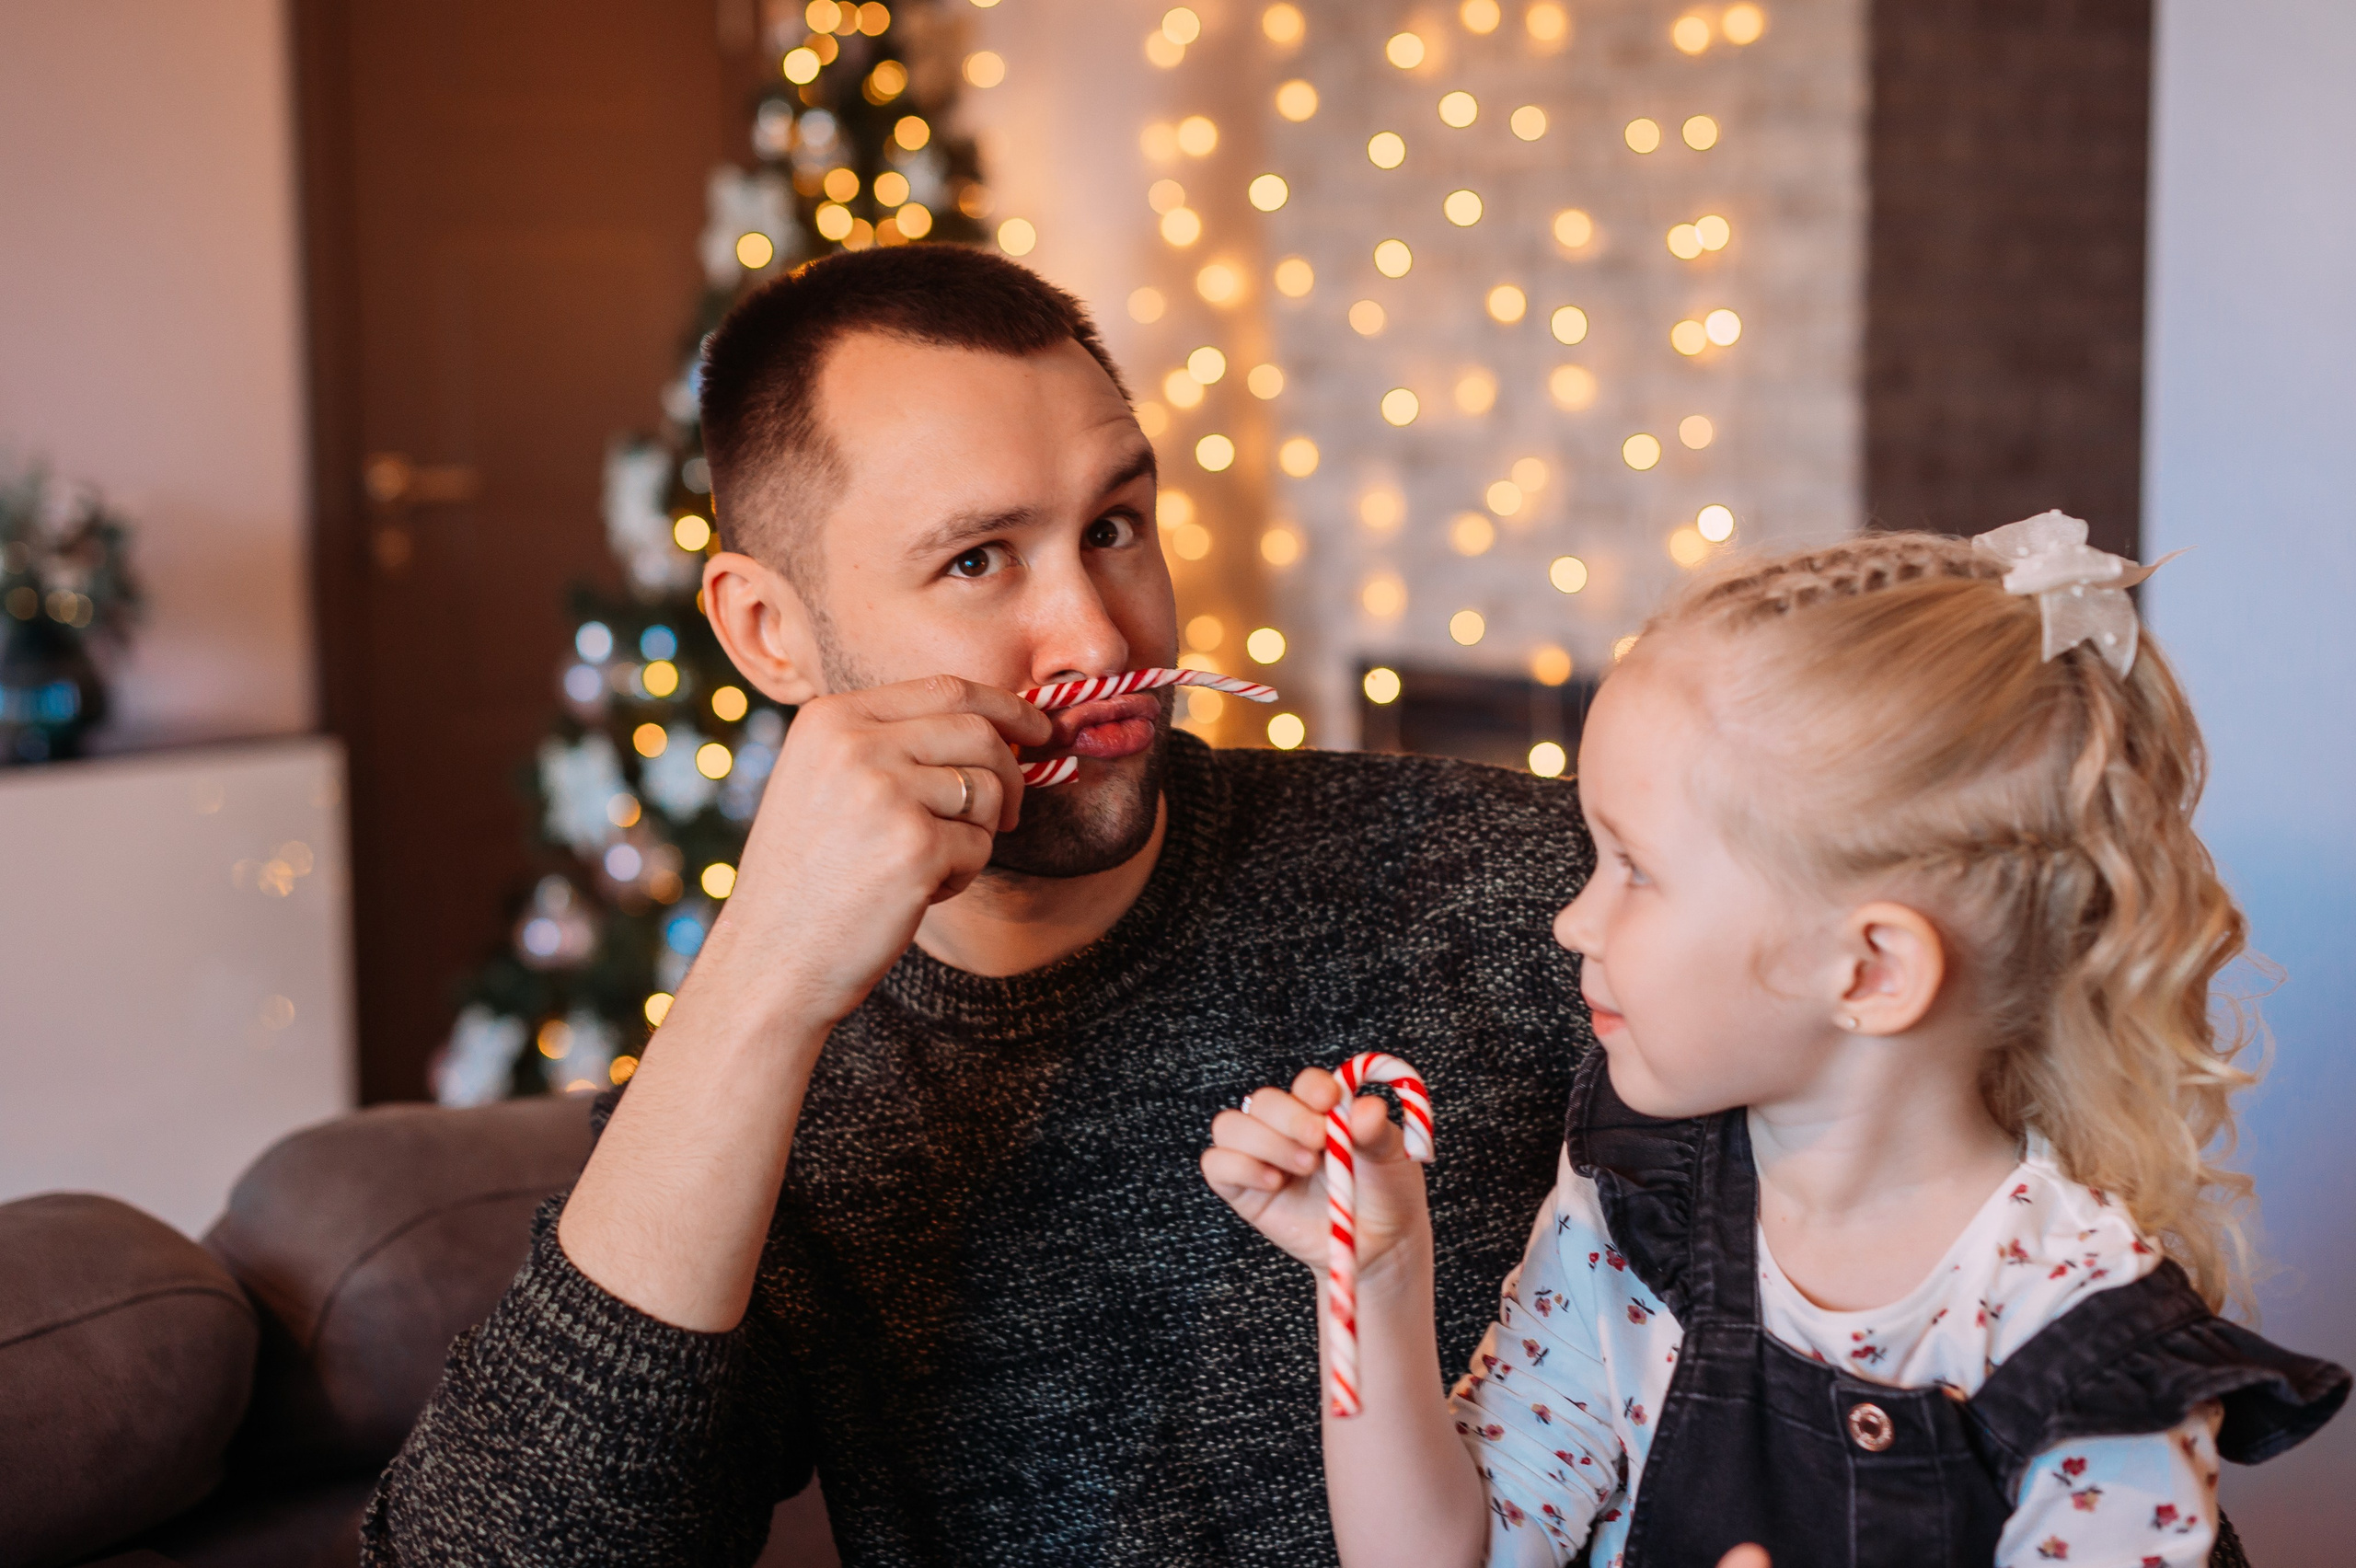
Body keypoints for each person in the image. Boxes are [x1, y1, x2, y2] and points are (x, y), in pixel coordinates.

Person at [363, 246, 1591, 1566]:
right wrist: (758, 987)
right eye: (976, 563)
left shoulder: (1522, 887)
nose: (1101, 642)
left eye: (1113, 528)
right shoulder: (767, 1096)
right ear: (771, 632)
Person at [1207, 525, 2350, 1568]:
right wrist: (1377, 1277)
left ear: (1867, 971)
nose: (1571, 920)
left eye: (1633, 869)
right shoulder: (1634, 1196)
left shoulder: (2080, 1351)